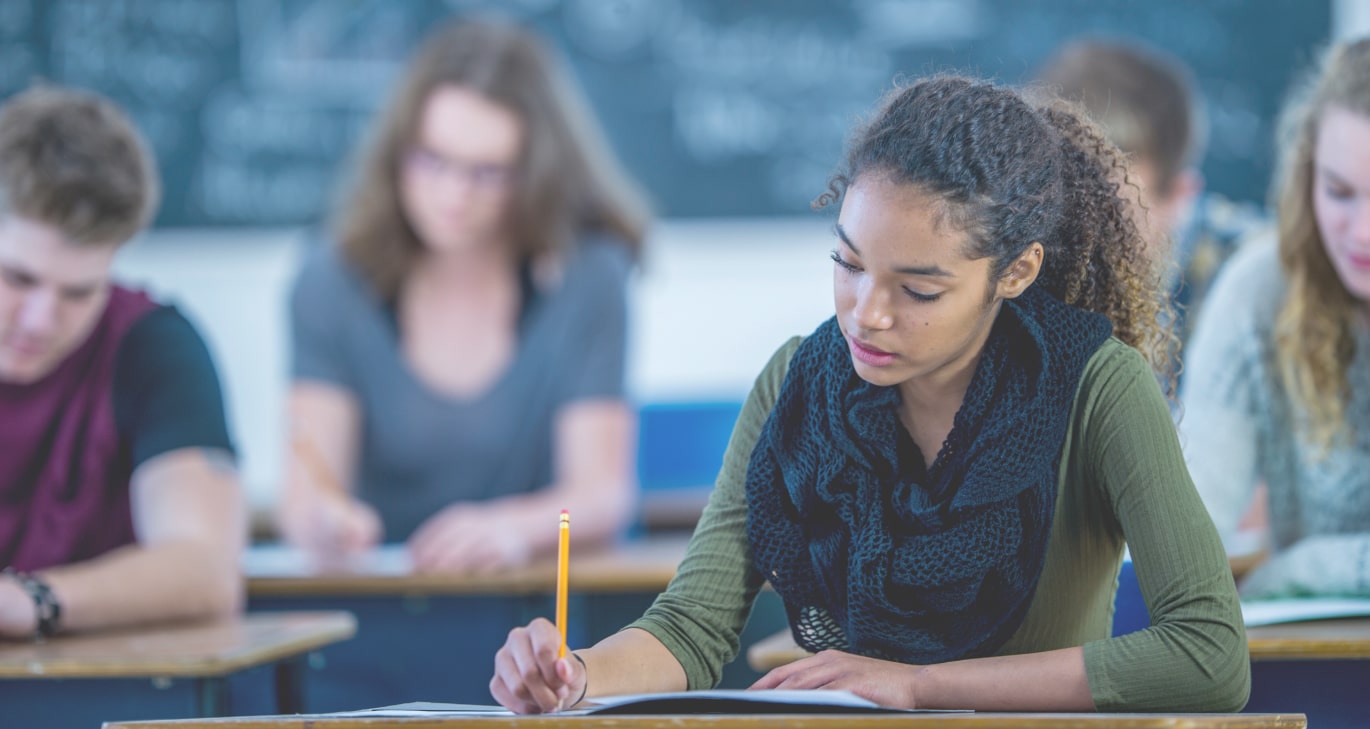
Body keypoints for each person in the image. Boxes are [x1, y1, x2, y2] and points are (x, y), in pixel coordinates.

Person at [491, 76, 1249, 713]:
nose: (868, 312)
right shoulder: (795, 381)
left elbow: (1209, 654)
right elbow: (692, 626)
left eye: (919, 288)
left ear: (1013, 274)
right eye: (849, 264)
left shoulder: (1095, 384)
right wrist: (576, 673)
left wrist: (921, 686)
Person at [279, 19, 650, 573]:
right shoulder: (330, 278)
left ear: (533, 174)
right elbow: (307, 494)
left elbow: (602, 494)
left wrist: (512, 529)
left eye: (488, 173)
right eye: (433, 160)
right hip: (376, 605)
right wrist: (324, 521)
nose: (453, 195)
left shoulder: (588, 276)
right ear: (398, 150)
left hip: (535, 604)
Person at [0, 87, 244, 639]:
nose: (40, 320)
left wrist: (29, 601)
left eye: (79, 292)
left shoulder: (153, 346)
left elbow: (206, 570)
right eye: (17, 278)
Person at [1180, 39, 1370, 599]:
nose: (1361, 233)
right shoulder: (1259, 291)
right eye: (1338, 192)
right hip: (1319, 662)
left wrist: (1292, 574)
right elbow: (1187, 539)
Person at [1037, 39, 1267, 349]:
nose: (1071, 236)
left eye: (1108, 214)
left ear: (1181, 195)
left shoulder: (1262, 276)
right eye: (1057, 203)